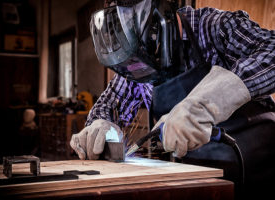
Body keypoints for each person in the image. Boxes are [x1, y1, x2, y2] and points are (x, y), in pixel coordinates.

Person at [70, 0, 275, 198]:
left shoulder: (214, 27)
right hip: (202, 181)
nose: (143, 77)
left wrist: (207, 102)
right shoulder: (138, 64)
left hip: (259, 171)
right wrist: (100, 124)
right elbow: (107, 105)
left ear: (160, 23)